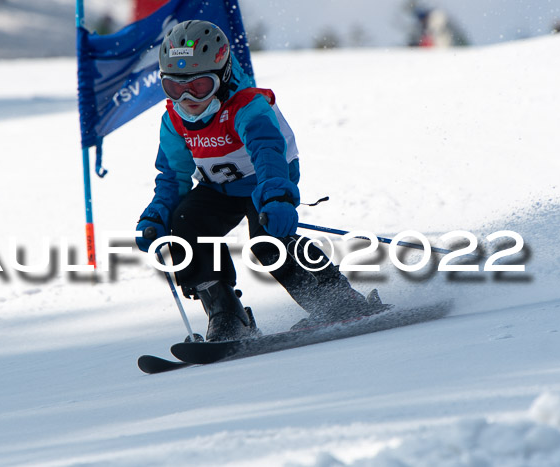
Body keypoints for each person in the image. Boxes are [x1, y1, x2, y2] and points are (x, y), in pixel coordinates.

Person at [136, 20, 385, 342]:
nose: (186, 97)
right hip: (218, 188)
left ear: (222, 74)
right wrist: (157, 213)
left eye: (199, 86)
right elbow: (173, 176)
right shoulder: (173, 120)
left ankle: (337, 301)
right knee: (186, 224)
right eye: (173, 87)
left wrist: (277, 198)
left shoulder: (247, 107)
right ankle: (228, 315)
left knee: (268, 241)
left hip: (266, 181)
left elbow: (268, 154)